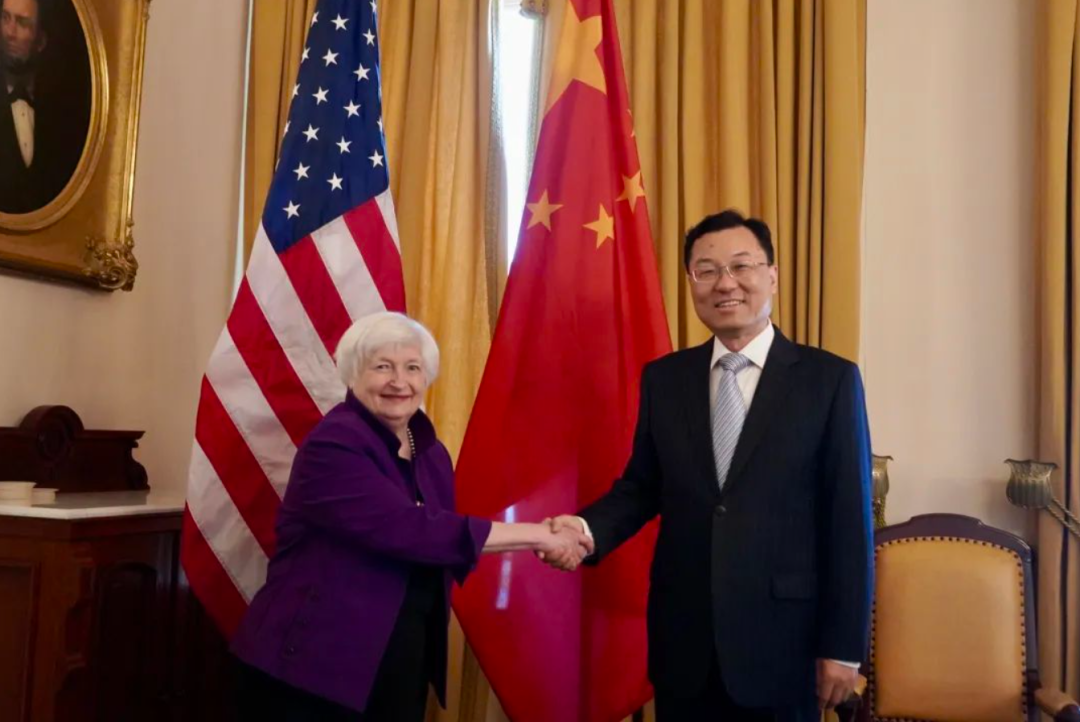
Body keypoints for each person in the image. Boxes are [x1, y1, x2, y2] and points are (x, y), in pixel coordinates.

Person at [544, 210, 873, 720]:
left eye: (741, 266)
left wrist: (844, 647)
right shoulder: (666, 379)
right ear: (691, 281)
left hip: (785, 648)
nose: (725, 283)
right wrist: (584, 530)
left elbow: (849, 521)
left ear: (772, 275)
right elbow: (641, 487)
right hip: (685, 645)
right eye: (707, 270)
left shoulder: (828, 380)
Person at [231, 312, 593, 722]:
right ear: (353, 373)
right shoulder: (333, 444)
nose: (399, 382)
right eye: (382, 367)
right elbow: (412, 530)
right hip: (313, 663)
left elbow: (439, 544)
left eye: (412, 368)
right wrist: (542, 535)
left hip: (400, 655)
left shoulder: (432, 453)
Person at [0, 0, 90, 213]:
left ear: (41, 41)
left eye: (22, 23)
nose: (9, 32)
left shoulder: (62, 113)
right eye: (5, 18)